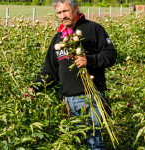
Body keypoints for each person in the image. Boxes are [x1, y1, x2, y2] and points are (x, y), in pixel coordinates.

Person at [26, 0, 117, 149]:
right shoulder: (58, 38)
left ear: (75, 9)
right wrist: (34, 88)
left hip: (91, 97)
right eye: (59, 13)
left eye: (65, 11)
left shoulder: (93, 29)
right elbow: (50, 72)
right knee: (75, 144)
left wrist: (89, 60)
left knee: (94, 143)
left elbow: (110, 55)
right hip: (69, 102)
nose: (63, 16)